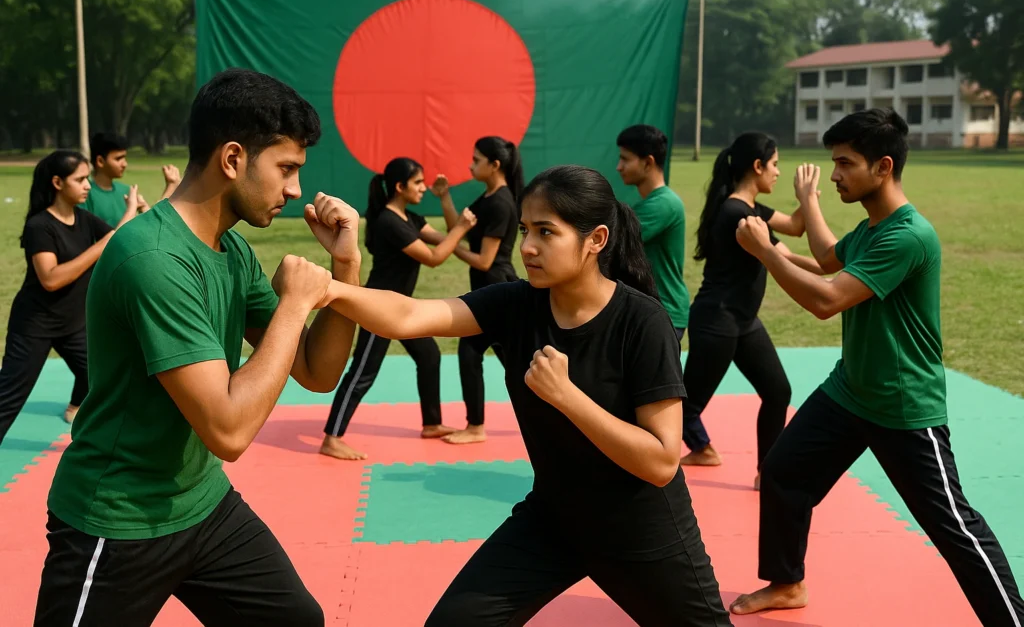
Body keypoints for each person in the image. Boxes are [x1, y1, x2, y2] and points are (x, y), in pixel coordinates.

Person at [319, 165, 733, 627]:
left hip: (640, 529)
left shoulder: (642, 322)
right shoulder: (518, 303)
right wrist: (336, 282)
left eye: (546, 232)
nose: (528, 247)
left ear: (595, 239)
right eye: (524, 230)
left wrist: (568, 397)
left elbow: (661, 462)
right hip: (553, 521)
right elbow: (409, 316)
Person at [34, 68, 362, 627]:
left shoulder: (227, 250)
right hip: (117, 521)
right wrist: (293, 305)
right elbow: (229, 430)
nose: (296, 191)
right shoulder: (154, 259)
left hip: (201, 503)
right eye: (286, 169)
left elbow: (316, 370)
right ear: (233, 159)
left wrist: (345, 266)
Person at [729, 108, 1024, 625]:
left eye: (844, 164)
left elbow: (825, 301)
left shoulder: (908, 235)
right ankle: (787, 582)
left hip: (902, 403)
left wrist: (765, 252)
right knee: (782, 471)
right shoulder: (872, 229)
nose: (836, 174)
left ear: (883, 167)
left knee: (952, 526)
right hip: (850, 392)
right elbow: (825, 260)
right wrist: (802, 210)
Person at [679, 133, 824, 490]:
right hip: (717, 323)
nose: (777, 172)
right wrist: (833, 265)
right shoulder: (738, 216)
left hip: (742, 322)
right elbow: (786, 257)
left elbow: (795, 226)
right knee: (682, 407)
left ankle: (766, 473)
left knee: (778, 392)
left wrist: (807, 200)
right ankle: (634, 462)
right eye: (774, 165)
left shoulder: (750, 209)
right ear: (757, 167)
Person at [320, 157, 478, 460]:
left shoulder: (411, 219)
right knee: (363, 372)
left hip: (402, 308)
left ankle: (431, 423)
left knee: (429, 355)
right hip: (377, 308)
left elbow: (448, 240)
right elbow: (434, 258)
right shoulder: (389, 222)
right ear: (399, 187)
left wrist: (447, 202)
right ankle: (332, 437)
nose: (423, 188)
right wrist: (462, 229)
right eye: (418, 183)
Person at [0, 151, 138, 440]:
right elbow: (51, 279)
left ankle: (83, 426)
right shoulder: (40, 226)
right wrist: (103, 244)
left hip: (73, 324)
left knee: (101, 376)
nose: (87, 184)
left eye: (87, 178)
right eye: (79, 179)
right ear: (57, 183)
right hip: (34, 326)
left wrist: (140, 208)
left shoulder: (85, 219)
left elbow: (122, 239)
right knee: (8, 401)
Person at [432, 136, 522, 445]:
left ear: (494, 165)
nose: (471, 165)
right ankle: (477, 425)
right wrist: (445, 198)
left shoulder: (501, 202)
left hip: (496, 288)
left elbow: (484, 260)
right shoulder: (487, 197)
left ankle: (476, 426)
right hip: (490, 289)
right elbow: (459, 226)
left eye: (476, 159)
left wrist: (450, 247)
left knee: (482, 354)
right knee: (511, 360)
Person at [615, 124, 688, 344]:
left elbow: (610, 243)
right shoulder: (651, 203)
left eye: (625, 159)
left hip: (662, 312)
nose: (619, 167)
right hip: (652, 310)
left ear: (648, 162)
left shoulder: (663, 205)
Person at [84, 131, 181, 226]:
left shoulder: (127, 191)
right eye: (118, 159)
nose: (124, 164)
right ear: (100, 161)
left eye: (124, 158)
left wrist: (170, 187)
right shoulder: (85, 195)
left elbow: (150, 226)